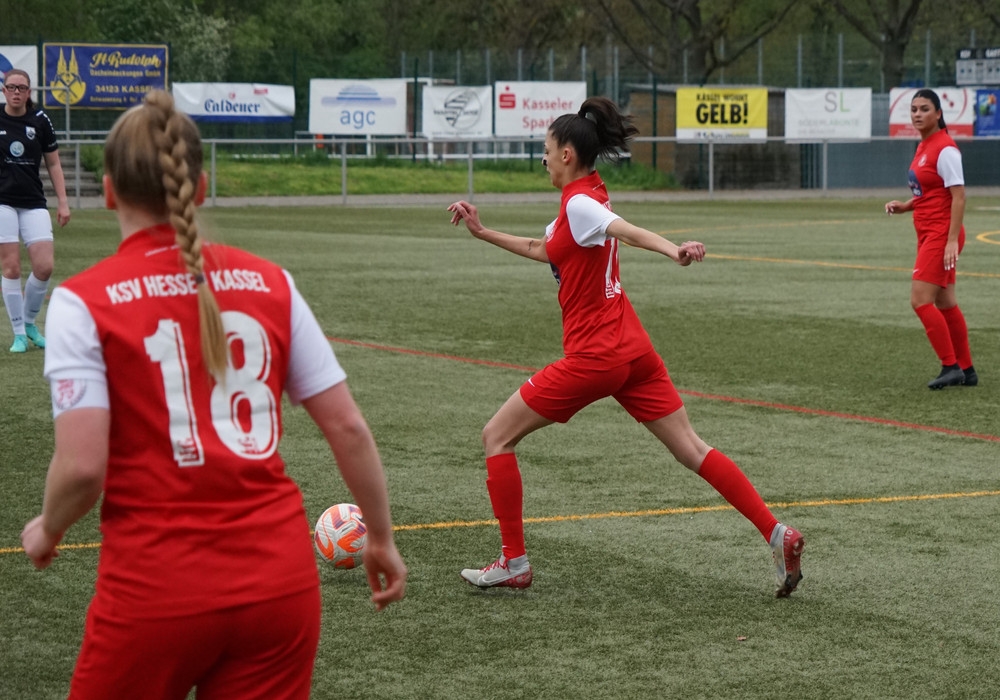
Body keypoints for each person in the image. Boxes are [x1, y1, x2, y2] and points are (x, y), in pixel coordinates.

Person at [20, 90, 407, 700]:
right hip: (280, 587)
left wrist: (48, 529)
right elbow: (348, 428)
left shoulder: (82, 301)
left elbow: (83, 467)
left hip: (157, 591)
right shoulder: (272, 282)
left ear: (110, 192)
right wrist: (380, 537)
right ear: (199, 188)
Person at [447, 96, 804, 598]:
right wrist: (482, 232)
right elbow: (541, 249)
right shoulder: (585, 197)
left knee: (496, 437)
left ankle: (514, 562)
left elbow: (627, 231)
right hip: (633, 351)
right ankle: (776, 533)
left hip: (595, 357)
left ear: (567, 153)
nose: (542, 158)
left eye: (546, 149)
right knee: (692, 448)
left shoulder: (580, 204)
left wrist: (673, 249)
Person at [885, 88, 976, 390]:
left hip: (941, 234)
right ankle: (967, 369)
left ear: (938, 113)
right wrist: (906, 206)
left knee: (920, 300)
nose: (917, 114)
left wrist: (951, 240)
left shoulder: (945, 148)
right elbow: (931, 192)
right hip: (928, 232)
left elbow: (959, 196)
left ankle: (950, 366)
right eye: (914, 109)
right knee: (946, 301)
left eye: (924, 109)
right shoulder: (924, 145)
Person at [0, 68, 70, 353]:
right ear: (4, 90)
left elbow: (53, 163)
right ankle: (18, 334)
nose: (16, 92)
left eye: (22, 88)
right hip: (2, 202)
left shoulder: (40, 120)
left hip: (33, 201)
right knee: (12, 267)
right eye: (11, 87)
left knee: (44, 266)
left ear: (29, 92)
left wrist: (63, 201)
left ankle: (30, 323)